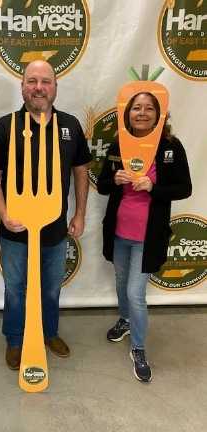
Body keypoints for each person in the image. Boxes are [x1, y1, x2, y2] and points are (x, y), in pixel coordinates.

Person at [0, 60, 92, 370]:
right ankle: (15, 340)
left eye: (46, 81)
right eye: (32, 81)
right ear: (22, 87)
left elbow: (81, 172)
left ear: (55, 87)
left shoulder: (69, 126)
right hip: (15, 230)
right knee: (15, 287)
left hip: (55, 229)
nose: (39, 87)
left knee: (52, 286)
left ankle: (49, 332)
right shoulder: (6, 126)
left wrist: (80, 214)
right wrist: (4, 214)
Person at [97, 92, 192, 382]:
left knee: (136, 294)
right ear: (128, 114)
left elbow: (184, 188)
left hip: (147, 236)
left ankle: (138, 348)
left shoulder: (171, 147)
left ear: (159, 113)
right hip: (119, 231)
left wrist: (153, 186)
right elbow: (101, 185)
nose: (142, 113)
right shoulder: (119, 145)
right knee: (122, 282)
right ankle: (125, 320)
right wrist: (114, 180)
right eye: (136, 108)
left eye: (149, 108)